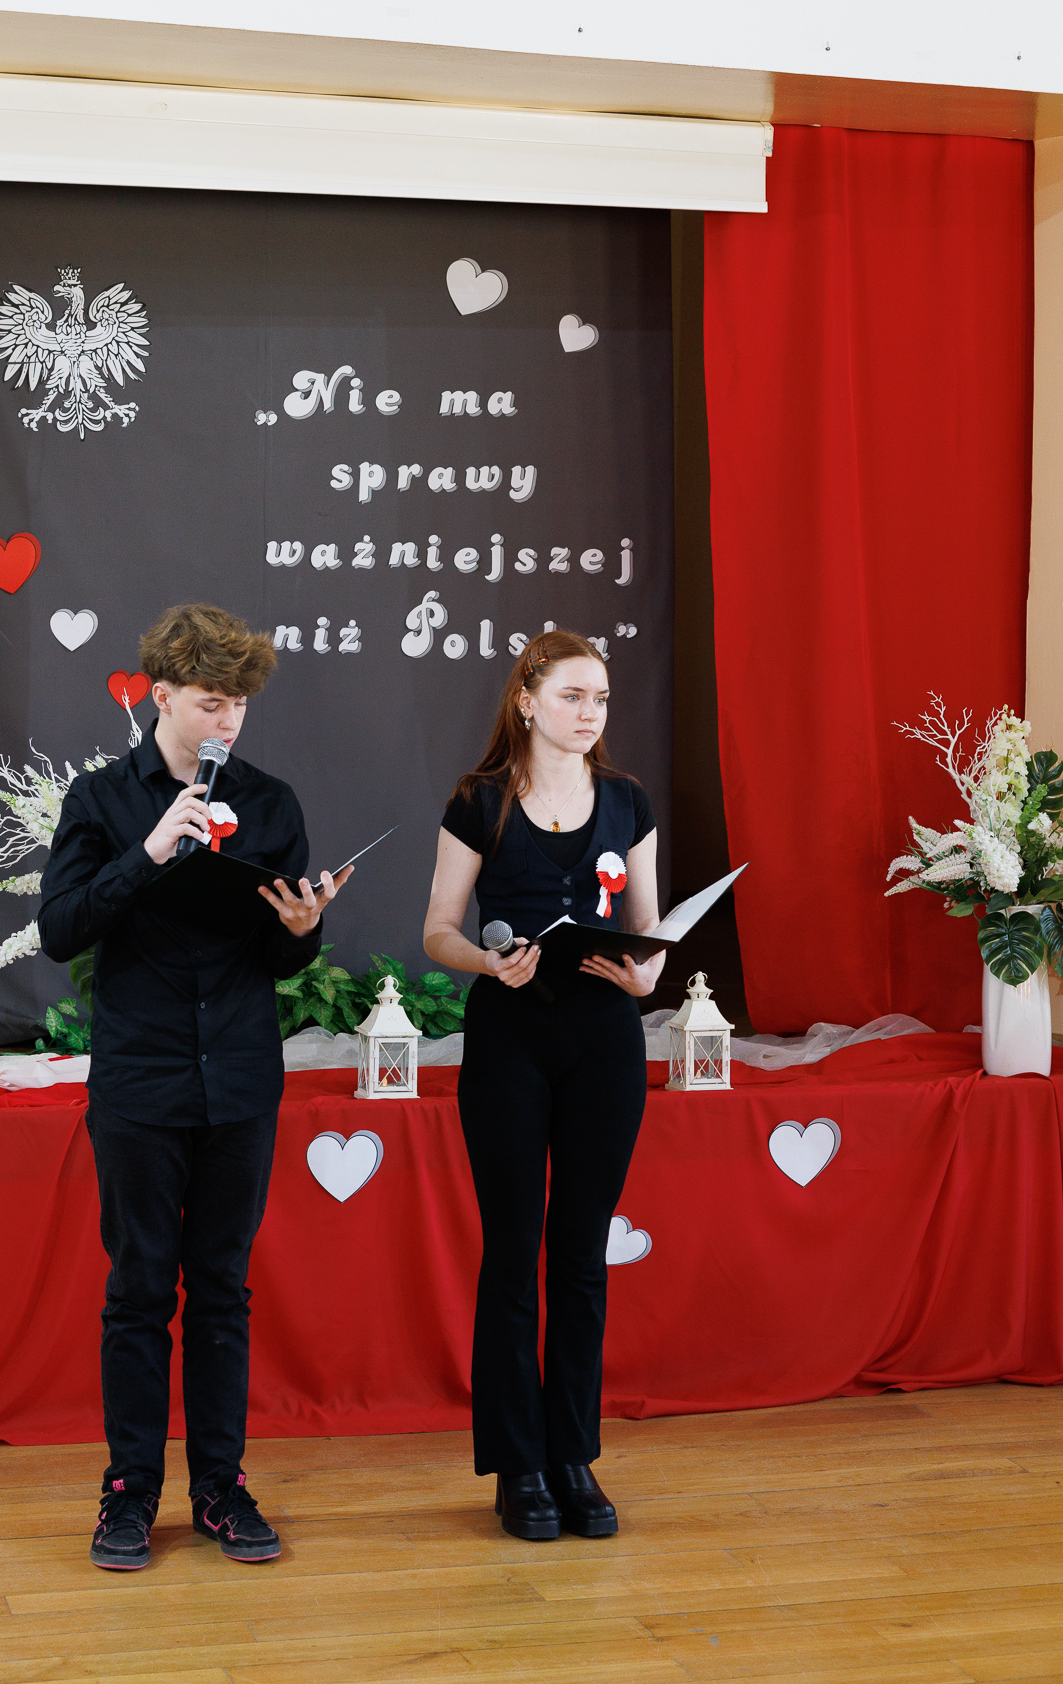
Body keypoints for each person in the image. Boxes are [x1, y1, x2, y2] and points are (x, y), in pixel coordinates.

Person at [39, 603, 352, 1571]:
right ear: (161, 695)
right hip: (140, 1079)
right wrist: (146, 854)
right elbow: (59, 929)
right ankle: (129, 1491)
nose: (228, 721)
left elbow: (277, 956)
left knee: (221, 1288)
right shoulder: (102, 799)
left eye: (240, 705)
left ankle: (220, 1483)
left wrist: (302, 928)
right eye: (212, 702)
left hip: (241, 1079)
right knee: (139, 1290)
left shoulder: (270, 801)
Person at [423, 630, 662, 1541]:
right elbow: (438, 929)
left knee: (581, 1255)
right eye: (571, 696)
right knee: (512, 1251)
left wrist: (645, 974)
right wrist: (488, 962)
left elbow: (649, 933)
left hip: (604, 1043)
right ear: (526, 701)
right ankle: (516, 1463)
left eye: (599, 698)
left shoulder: (627, 800)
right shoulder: (477, 800)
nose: (589, 713)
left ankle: (573, 1456)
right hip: (510, 1041)